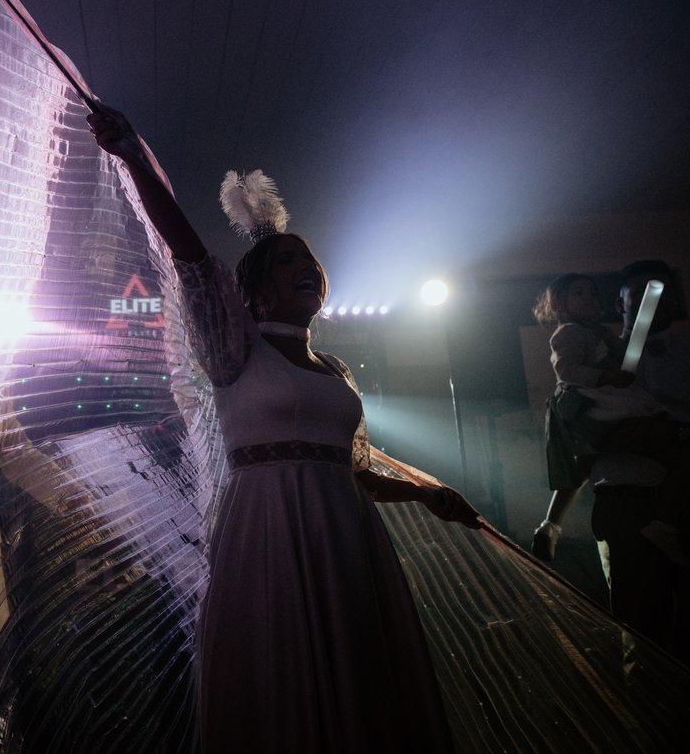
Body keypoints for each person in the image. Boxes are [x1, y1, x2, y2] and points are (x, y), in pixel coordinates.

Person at [86, 108, 481, 753]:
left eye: (310, 259)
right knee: (279, 667)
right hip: (266, 528)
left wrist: (430, 496)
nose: (306, 266)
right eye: (286, 261)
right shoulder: (234, 347)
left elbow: (356, 474)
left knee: (357, 671)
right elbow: (187, 250)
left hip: (345, 535)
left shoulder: (336, 369)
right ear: (255, 291)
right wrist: (133, 155)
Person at [533, 271, 690, 567]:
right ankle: (551, 525)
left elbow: (627, 359)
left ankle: (551, 525)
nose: (589, 297)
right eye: (578, 293)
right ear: (557, 304)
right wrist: (606, 376)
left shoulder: (596, 332)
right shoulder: (567, 333)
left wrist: (608, 338)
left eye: (592, 292)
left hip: (609, 400)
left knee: (587, 460)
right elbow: (567, 371)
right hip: (597, 404)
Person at [591, 259, 690, 667]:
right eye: (646, 292)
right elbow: (582, 423)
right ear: (620, 302)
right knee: (642, 641)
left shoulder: (686, 353)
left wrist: (671, 435)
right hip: (626, 503)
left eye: (665, 293)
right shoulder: (593, 355)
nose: (657, 301)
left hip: (686, 498)